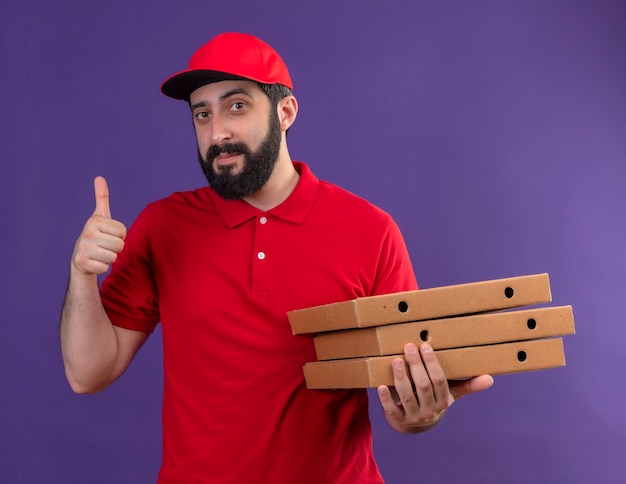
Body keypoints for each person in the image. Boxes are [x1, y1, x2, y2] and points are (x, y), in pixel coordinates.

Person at [60, 32, 493, 483]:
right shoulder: (162, 225)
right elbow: (88, 373)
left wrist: (417, 413)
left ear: (285, 112)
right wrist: (81, 275)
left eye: (237, 106)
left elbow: (404, 393)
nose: (217, 132)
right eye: (201, 114)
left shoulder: (371, 229)